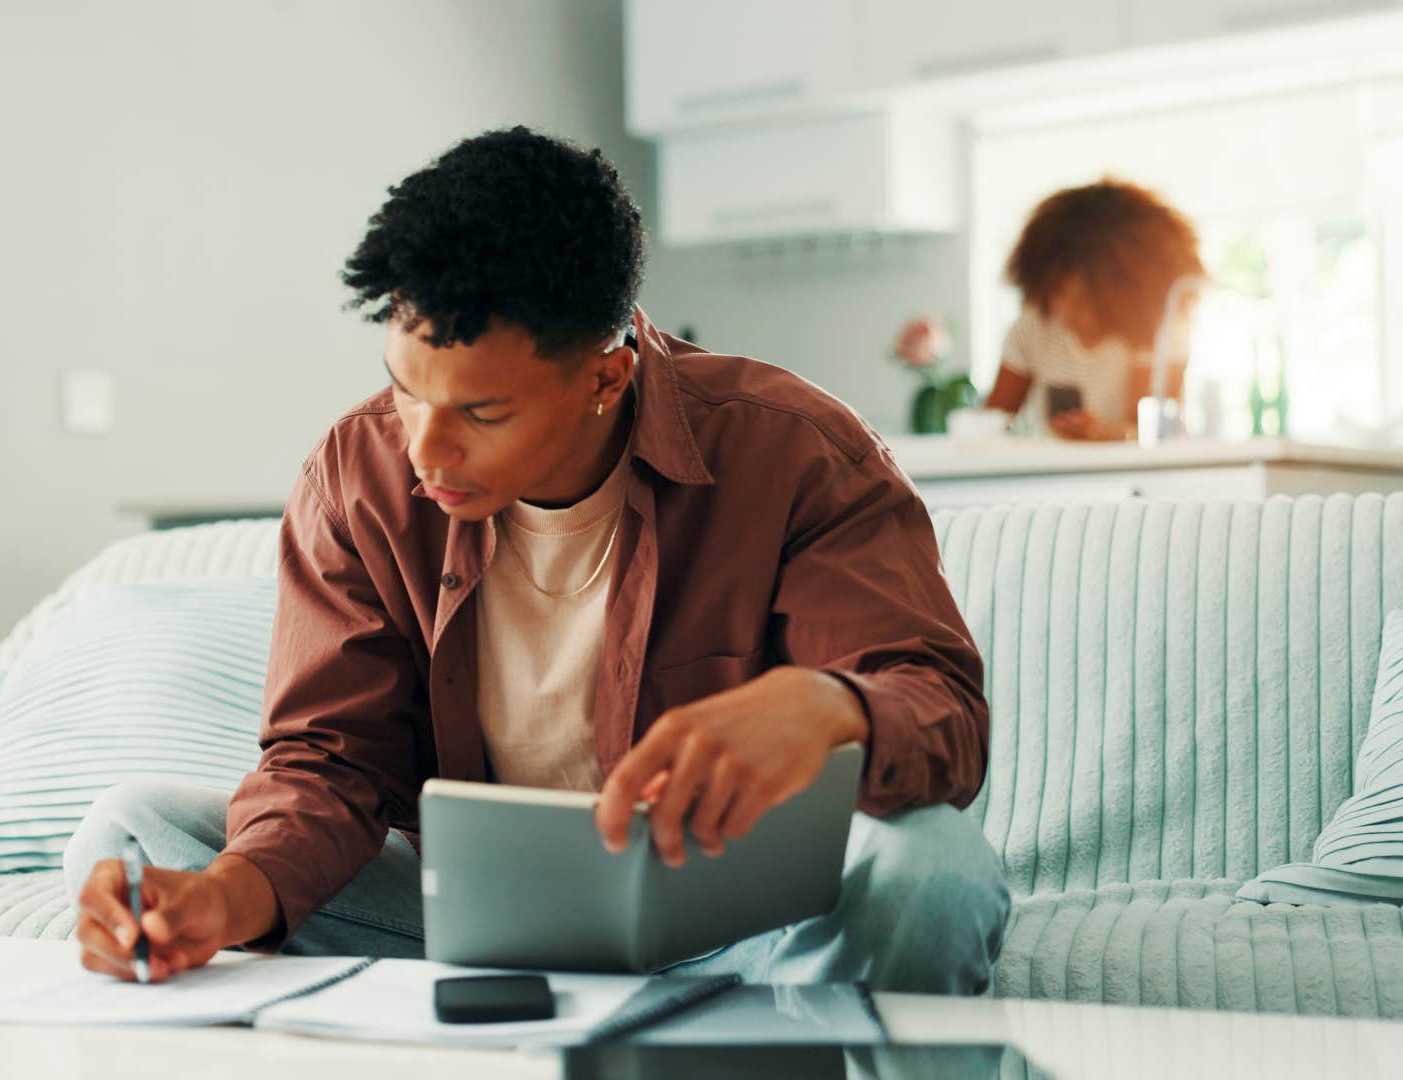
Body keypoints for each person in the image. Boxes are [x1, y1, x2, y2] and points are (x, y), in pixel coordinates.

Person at [66, 127, 1008, 994]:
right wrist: (226, 899)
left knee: (933, 867)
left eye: (482, 413)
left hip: (745, 930)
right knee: (137, 836)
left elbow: (947, 724)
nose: (427, 450)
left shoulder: (792, 451)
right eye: (405, 391)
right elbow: (329, 761)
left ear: (606, 376)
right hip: (463, 920)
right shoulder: (359, 473)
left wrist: (831, 707)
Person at [984, 178, 1204, 441]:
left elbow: (1154, 436)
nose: (1064, 308)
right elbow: (991, 424)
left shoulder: (1162, 331)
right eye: (1057, 292)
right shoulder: (1033, 325)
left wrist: (1104, 435)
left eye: (1081, 298)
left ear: (1121, 294)